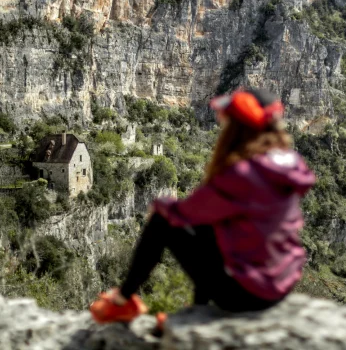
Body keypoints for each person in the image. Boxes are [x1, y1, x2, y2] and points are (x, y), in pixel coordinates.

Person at [90, 88, 316, 323]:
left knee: (162, 220)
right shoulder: (289, 163)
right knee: (212, 229)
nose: (221, 123)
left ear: (238, 127)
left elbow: (185, 214)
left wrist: (162, 203)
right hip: (281, 284)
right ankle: (197, 310)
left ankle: (122, 302)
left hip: (247, 295)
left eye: (227, 119)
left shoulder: (242, 174)